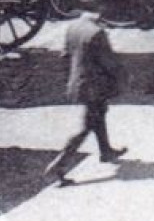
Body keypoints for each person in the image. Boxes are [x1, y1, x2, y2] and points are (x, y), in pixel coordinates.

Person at [45, 10, 127, 184]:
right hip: (95, 86)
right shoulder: (97, 33)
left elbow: (65, 56)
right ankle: (59, 165)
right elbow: (109, 63)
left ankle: (106, 151)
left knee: (98, 115)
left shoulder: (73, 26)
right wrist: (121, 76)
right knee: (88, 125)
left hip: (79, 83)